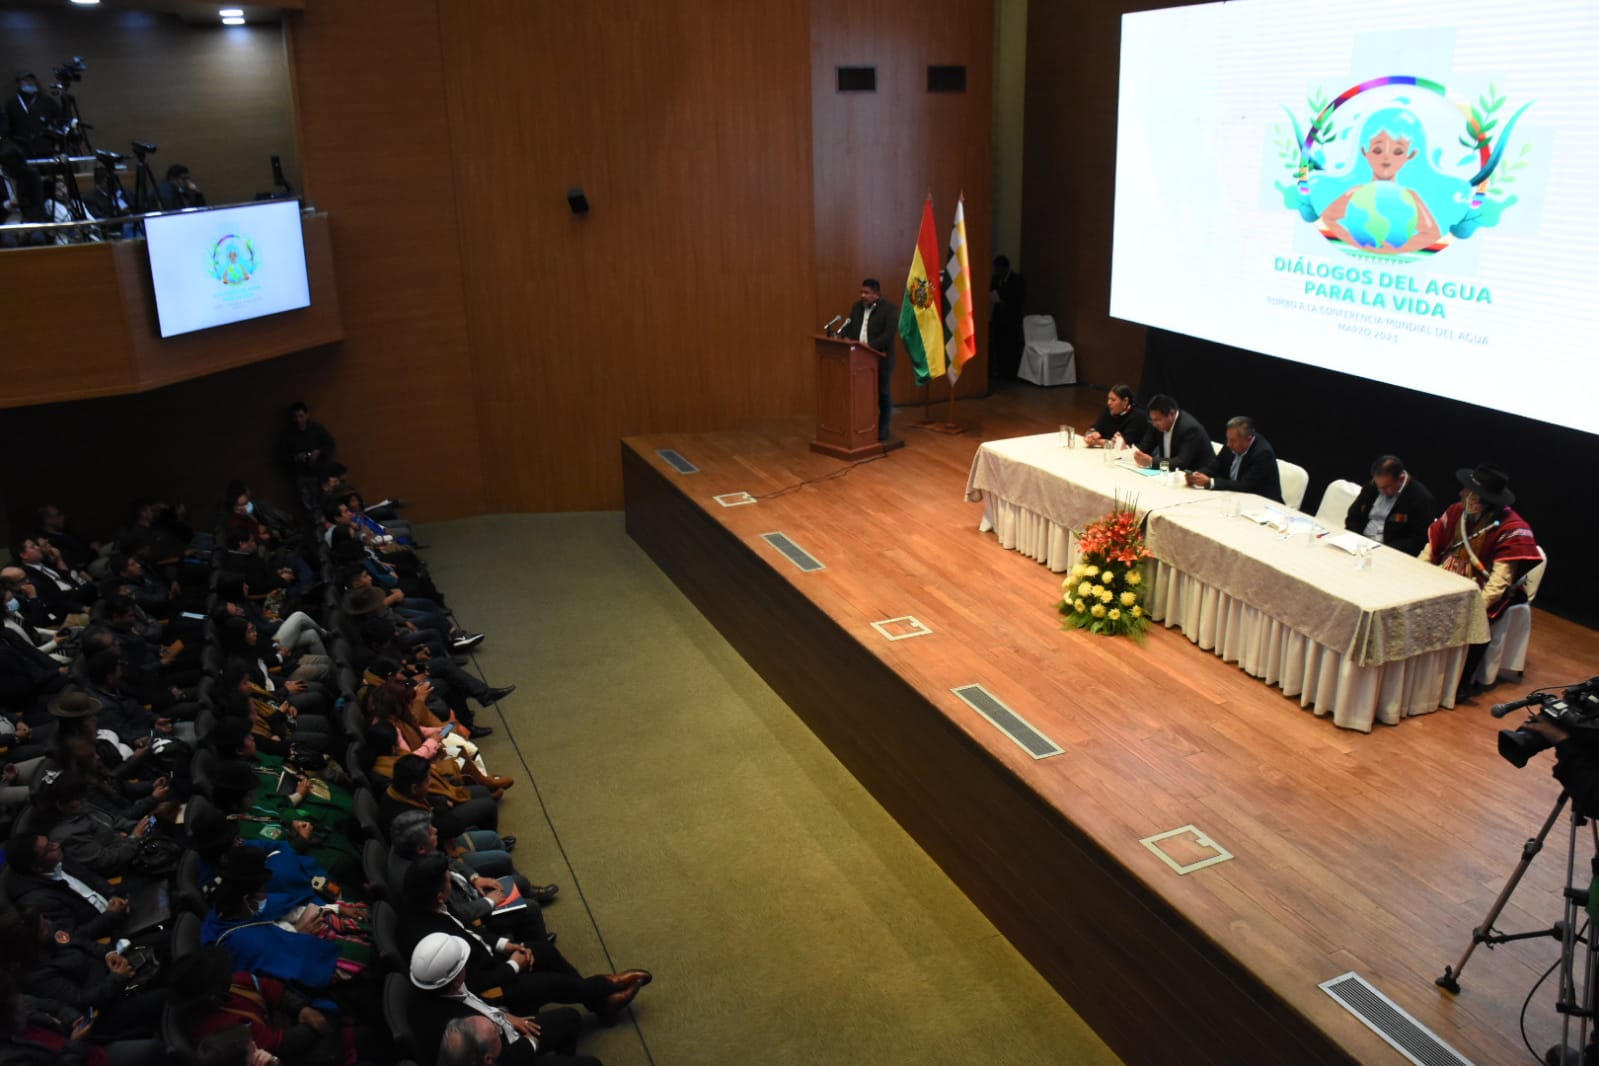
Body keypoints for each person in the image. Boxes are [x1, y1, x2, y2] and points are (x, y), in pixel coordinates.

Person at [1420, 464, 1541, 695]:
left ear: (1478, 500)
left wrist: (1475, 609)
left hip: (1484, 591)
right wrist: (1417, 573)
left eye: (1467, 491)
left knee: (1478, 621)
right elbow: (1432, 548)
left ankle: (1460, 682)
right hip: (1446, 577)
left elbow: (1499, 582)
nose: (1461, 494)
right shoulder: (1456, 512)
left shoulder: (1512, 529)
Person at [407, 930, 610, 1066]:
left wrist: (505, 1017)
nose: (467, 966)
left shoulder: (436, 987)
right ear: (455, 980)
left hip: (503, 1027)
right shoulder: (452, 1032)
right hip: (510, 1053)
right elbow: (494, 1060)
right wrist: (531, 1044)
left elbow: (475, 1000)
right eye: (463, 965)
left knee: (571, 1018)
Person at [838, 278, 897, 443]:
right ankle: (863, 426)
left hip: (881, 359)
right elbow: (849, 328)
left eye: (866, 293)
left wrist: (868, 348)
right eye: (861, 292)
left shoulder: (890, 309)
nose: (862, 295)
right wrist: (843, 336)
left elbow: (888, 335)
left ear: (876, 294)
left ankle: (883, 426)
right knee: (861, 395)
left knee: (883, 393)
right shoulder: (856, 308)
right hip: (858, 360)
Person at [1343, 455, 1437, 555]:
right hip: (1361, 545)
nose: (1381, 491)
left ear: (1401, 478)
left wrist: (1386, 550)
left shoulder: (1421, 498)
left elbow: (1420, 539)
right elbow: (1353, 516)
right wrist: (1357, 538)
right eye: (1378, 486)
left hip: (1392, 552)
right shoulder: (1372, 487)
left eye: (1386, 487)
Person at [1185, 416, 1282, 501]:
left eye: (1233, 441)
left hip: (1263, 504)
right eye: (1228, 439)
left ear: (1248, 439)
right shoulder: (1231, 442)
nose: (1228, 444)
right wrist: (1196, 475)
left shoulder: (1263, 454)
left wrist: (1210, 482)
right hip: (1234, 497)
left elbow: (1244, 485)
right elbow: (1215, 466)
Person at [1133, 394, 1212, 472]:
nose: (1154, 424)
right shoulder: (1156, 424)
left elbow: (1181, 463)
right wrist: (1131, 450)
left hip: (1195, 474)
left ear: (1172, 413)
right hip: (1168, 472)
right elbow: (1145, 447)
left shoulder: (1190, 429)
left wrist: (1152, 462)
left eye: (1158, 420)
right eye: (1152, 419)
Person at [3, 73, 62, 159]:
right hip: (22, 149)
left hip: (46, 148)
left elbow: (59, 121)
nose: (29, 83)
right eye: (25, 80)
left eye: (31, 80)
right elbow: (7, 128)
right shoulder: (12, 104)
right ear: (18, 83)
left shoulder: (48, 101)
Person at [988, 255, 1028, 379]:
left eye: (998, 268)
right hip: (998, 318)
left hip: (1012, 318)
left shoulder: (1017, 280)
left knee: (1011, 346)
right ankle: (1001, 372)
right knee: (998, 345)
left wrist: (1006, 302)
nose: (997, 271)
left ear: (1005, 268)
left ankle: (1011, 373)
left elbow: (1021, 298)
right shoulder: (995, 279)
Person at [1082, 385, 1150, 449]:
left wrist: (1098, 442)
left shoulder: (1138, 417)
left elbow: (1122, 447)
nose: (1109, 403)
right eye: (1108, 399)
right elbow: (1095, 428)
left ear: (1125, 401)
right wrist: (1090, 435)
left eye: (1113, 400)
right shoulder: (1109, 410)